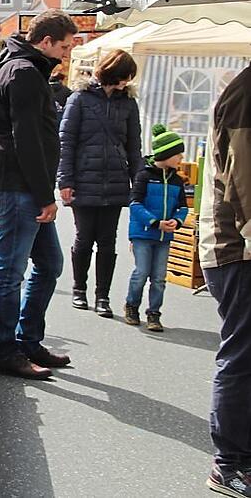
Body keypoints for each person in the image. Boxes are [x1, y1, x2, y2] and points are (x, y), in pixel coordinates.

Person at [0, 9, 78, 380]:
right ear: (46, 42)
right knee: (10, 269)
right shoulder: (24, 73)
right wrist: (45, 195)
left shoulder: (23, 68)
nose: (67, 54)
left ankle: (26, 340)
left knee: (49, 264)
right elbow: (26, 139)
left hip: (21, 182)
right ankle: (7, 350)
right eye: (65, 47)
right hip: (17, 183)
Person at [58, 49, 143, 317]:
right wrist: (65, 180)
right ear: (113, 72)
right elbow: (66, 142)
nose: (126, 82)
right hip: (84, 178)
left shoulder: (128, 103)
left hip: (115, 179)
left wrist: (137, 182)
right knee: (84, 238)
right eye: (124, 77)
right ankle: (79, 289)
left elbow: (134, 146)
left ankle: (102, 296)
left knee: (108, 241)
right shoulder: (80, 99)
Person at [199, 64, 251, 497]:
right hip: (237, 249)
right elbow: (244, 181)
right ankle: (230, 461)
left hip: (237, 247)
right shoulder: (247, 91)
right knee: (243, 355)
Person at [124, 124, 187, 332]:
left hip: (164, 237)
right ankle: (132, 306)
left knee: (159, 277)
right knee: (141, 272)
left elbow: (182, 207)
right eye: (178, 155)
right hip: (143, 233)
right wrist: (154, 222)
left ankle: (154, 313)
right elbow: (135, 204)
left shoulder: (177, 180)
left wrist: (176, 221)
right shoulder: (143, 175)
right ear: (166, 154)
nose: (180, 159)